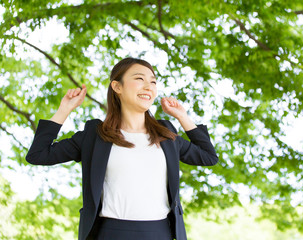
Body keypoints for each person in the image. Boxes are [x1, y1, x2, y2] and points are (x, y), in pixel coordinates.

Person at [26, 57, 219, 240]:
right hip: (111, 233)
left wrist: (182, 117)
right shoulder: (95, 135)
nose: (148, 87)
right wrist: (64, 110)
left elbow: (208, 157)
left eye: (153, 82)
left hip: (160, 232)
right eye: (139, 79)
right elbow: (39, 155)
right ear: (117, 86)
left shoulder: (166, 134)